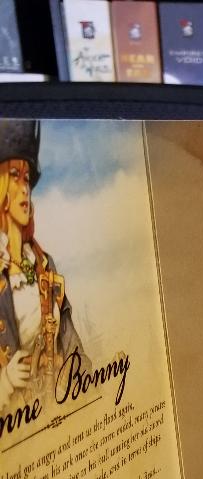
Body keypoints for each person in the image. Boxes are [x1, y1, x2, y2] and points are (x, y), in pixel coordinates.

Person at [0, 120, 87, 412]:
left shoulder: (43, 265)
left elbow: (71, 345)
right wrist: (5, 381)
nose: (25, 189)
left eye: (27, 179)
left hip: (56, 407)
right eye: (15, 176)